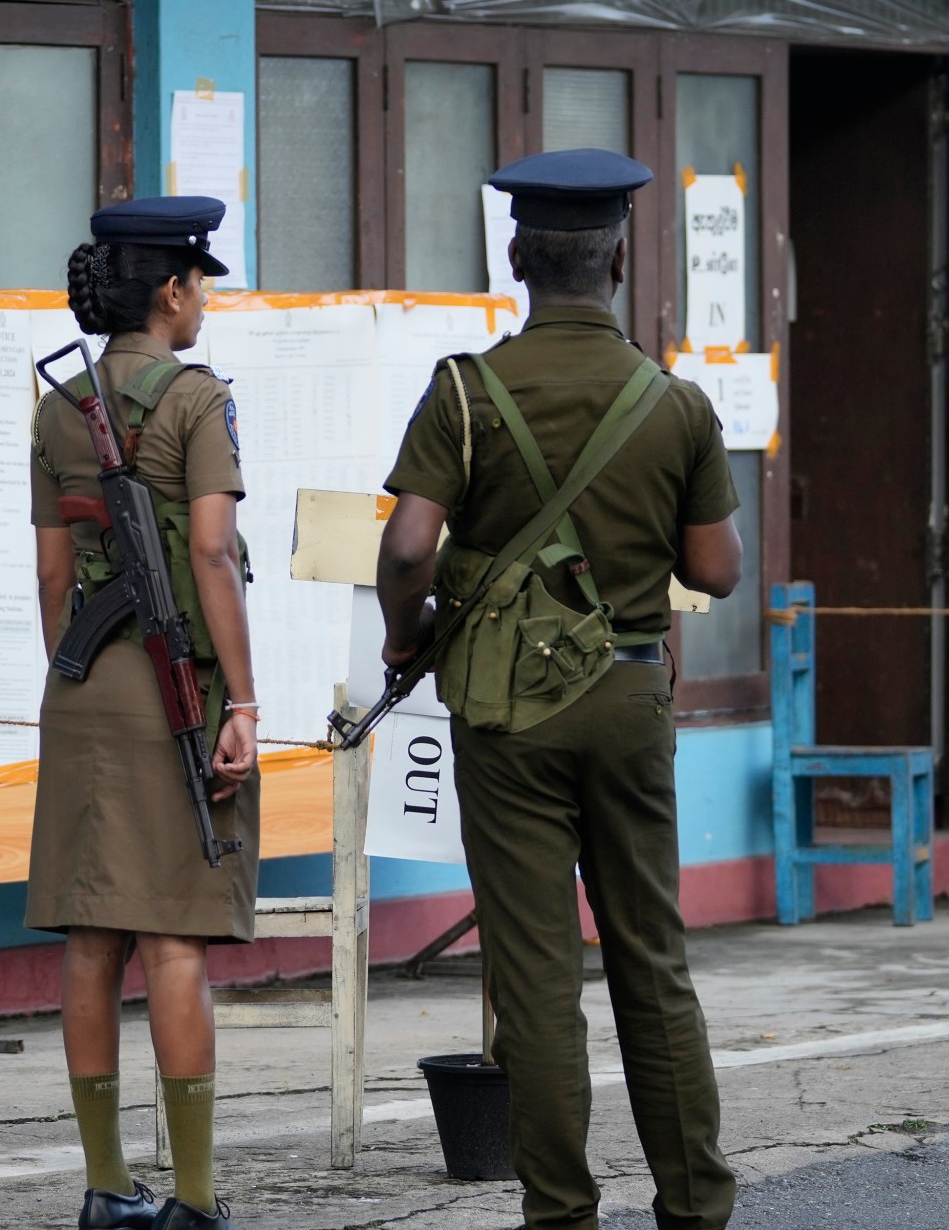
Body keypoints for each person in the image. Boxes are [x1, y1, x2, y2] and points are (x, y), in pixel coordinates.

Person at [375, 149, 743, 1230]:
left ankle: (560, 1213)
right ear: (618, 259)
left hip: (505, 712)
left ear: (517, 257)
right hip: (631, 699)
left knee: (535, 976)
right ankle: (693, 1206)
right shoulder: (672, 403)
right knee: (652, 963)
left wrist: (410, 639)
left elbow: (405, 549)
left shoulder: (464, 392)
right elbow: (716, 570)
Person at [26, 197, 259, 1230]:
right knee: (172, 944)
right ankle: (195, 1200)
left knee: (90, 940)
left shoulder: (59, 406)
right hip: (175, 687)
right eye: (199, 280)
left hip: (82, 683)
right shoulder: (196, 401)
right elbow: (210, 554)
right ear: (170, 291)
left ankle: (105, 1186)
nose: (204, 298)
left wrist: (75, 678)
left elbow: (49, 572)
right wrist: (242, 698)